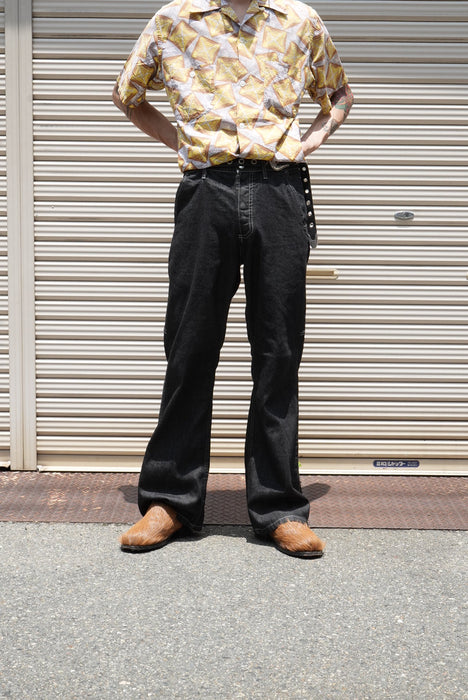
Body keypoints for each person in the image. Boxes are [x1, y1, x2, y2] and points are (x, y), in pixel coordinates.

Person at [113, 0, 353, 558]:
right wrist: (180, 144)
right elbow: (128, 95)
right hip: (206, 191)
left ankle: (279, 508)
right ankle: (170, 501)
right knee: (189, 345)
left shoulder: (299, 21)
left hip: (279, 190)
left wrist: (311, 141)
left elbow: (339, 94)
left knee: (278, 350)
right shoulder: (175, 19)